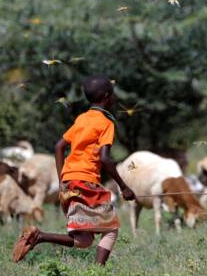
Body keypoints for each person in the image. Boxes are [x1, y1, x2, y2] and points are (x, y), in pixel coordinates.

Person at [12, 75, 136, 265]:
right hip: (86, 182)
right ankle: (98, 272)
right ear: (107, 96)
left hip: (70, 183)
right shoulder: (106, 123)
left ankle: (39, 237)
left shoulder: (82, 119)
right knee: (111, 230)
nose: (114, 99)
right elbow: (105, 158)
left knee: (84, 240)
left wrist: (63, 180)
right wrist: (124, 187)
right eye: (113, 95)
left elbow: (59, 146)